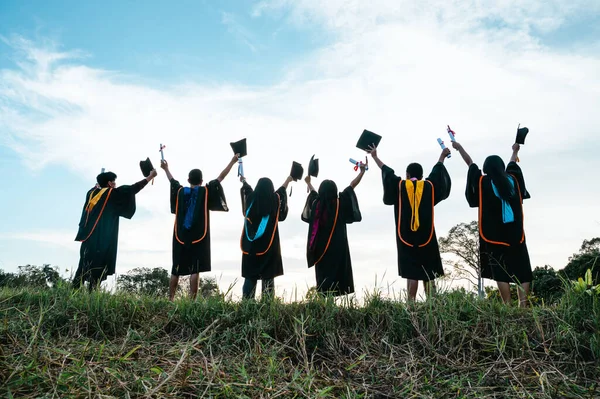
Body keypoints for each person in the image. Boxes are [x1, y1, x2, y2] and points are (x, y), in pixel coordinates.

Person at [452, 140, 532, 306]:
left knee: (501, 271)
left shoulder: (482, 183)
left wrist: (459, 148)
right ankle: (523, 307)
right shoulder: (513, 180)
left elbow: (470, 163)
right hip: (515, 235)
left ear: (487, 169)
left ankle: (507, 305)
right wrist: (515, 150)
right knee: (522, 270)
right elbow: (512, 164)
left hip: (494, 235)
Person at [368, 145, 452, 301]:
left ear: (407, 174)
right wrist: (442, 156)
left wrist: (374, 157)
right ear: (421, 175)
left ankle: (411, 306)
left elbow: (387, 172)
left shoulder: (400, 186)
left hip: (406, 237)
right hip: (427, 236)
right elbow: (437, 171)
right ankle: (432, 305)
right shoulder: (428, 186)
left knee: (412, 272)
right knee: (428, 271)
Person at [160, 154, 239, 301]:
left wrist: (166, 168)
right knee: (195, 268)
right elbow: (221, 177)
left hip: (180, 235)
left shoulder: (180, 191)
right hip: (198, 235)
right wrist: (233, 161)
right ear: (202, 181)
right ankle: (192, 300)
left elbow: (172, 181)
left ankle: (170, 299)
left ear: (188, 180)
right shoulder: (206, 191)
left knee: (176, 268)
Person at [73, 167, 157, 291]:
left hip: (87, 237)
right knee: (98, 265)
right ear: (109, 183)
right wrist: (150, 177)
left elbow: (97, 188)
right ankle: (92, 294)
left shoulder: (91, 194)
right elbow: (132, 189)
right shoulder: (111, 194)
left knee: (83, 264)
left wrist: (99, 184)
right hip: (102, 237)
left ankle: (74, 290)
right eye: (114, 182)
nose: (115, 184)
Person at [301, 161, 365, 297]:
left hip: (320, 249)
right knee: (336, 277)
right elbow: (352, 186)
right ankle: (332, 307)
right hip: (338, 248)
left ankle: (325, 305)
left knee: (323, 278)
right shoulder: (340, 203)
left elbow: (313, 193)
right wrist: (362, 172)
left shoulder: (316, 204)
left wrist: (308, 182)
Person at [240, 174, 293, 299]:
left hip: (250, 247)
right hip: (270, 248)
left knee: (250, 276)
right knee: (268, 277)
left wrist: (244, 180)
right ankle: (267, 308)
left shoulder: (251, 199)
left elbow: (247, 189)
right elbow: (281, 191)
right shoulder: (274, 200)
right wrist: (288, 179)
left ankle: (246, 306)